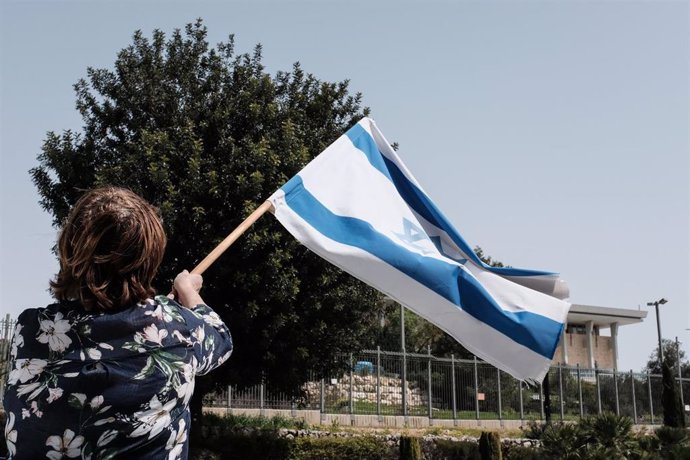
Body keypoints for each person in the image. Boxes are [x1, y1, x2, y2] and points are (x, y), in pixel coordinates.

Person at [3, 187, 233, 459]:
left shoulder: (30, 329)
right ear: (150, 257)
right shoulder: (176, 329)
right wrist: (187, 290)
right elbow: (220, 337)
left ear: (69, 248)